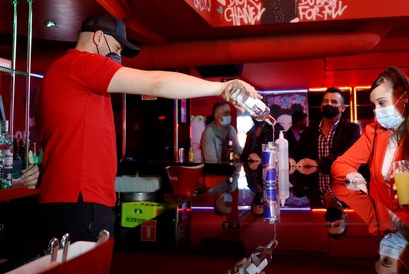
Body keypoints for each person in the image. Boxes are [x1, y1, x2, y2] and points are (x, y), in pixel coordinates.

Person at [35, 14, 260, 243]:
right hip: (82, 203)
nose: (118, 57)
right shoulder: (82, 63)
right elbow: (155, 82)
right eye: (115, 48)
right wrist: (222, 88)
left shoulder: (60, 72)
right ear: (98, 38)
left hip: (70, 202)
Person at [331, 67, 409, 274]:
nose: (377, 111)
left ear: (403, 98)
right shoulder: (374, 133)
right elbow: (339, 166)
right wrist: (354, 175)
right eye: (374, 104)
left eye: (382, 103)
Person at [292, 87, 360, 173]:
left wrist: (317, 163)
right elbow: (297, 150)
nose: (329, 104)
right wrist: (291, 158)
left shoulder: (351, 129)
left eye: (334, 102)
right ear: (321, 107)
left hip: (342, 180)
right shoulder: (311, 129)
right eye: (326, 101)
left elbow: (346, 154)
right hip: (315, 182)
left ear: (342, 108)